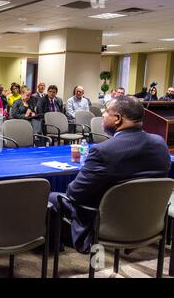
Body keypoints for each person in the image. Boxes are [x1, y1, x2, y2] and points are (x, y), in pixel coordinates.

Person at [49, 96, 171, 253]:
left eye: (106, 112)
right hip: (147, 223)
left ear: (117, 118)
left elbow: (74, 193)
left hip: (108, 224)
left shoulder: (104, 151)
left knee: (52, 197)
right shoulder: (160, 144)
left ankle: (54, 248)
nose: (103, 115)